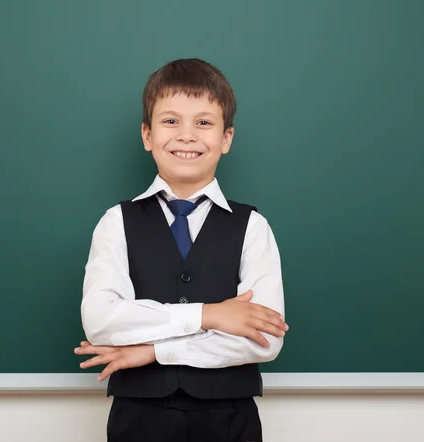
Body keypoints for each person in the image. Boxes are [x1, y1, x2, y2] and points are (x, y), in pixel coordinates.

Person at [75, 58, 289, 442]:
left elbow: (265, 338)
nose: (186, 135)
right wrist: (211, 315)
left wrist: (153, 351)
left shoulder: (253, 228)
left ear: (226, 138)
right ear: (147, 135)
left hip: (231, 421)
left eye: (204, 122)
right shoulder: (115, 222)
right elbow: (101, 321)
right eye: (170, 121)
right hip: (137, 421)